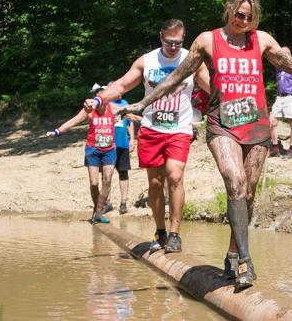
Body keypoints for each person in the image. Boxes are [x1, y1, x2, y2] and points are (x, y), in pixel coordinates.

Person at [93, 0, 292, 291]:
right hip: (222, 124)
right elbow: (175, 78)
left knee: (248, 193)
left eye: (251, 17)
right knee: (235, 181)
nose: (244, 21)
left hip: (256, 126)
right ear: (229, 8)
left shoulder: (263, 40)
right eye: (240, 14)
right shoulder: (207, 40)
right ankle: (245, 260)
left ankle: (232, 253)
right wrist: (141, 104)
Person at [84, 19, 210, 254]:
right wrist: (99, 99)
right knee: (154, 182)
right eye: (169, 42)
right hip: (152, 129)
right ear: (161, 37)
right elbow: (121, 85)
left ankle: (174, 234)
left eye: (178, 42)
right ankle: (160, 231)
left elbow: (213, 87)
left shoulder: (192, 60)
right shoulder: (147, 60)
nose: (173, 47)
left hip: (179, 129)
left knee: (175, 175)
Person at [47, 85, 116, 224]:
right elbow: (74, 120)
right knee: (94, 183)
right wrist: (57, 131)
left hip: (109, 149)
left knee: (107, 180)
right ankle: (98, 209)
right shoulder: (89, 110)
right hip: (92, 149)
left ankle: (98, 211)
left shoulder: (114, 108)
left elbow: (131, 113)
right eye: (96, 98)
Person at [101, 90, 136, 216]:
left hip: (122, 143)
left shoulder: (125, 104)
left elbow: (130, 122)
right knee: (106, 174)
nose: (119, 92)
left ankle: (123, 203)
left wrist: (132, 139)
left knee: (123, 172)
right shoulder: (106, 104)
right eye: (116, 90)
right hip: (108, 143)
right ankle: (107, 202)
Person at [269, 46, 292, 159]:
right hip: (280, 97)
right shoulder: (278, 68)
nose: (282, 56)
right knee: (273, 121)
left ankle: (291, 150)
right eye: (280, 54)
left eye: (284, 54)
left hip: (291, 97)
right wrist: (275, 100)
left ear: (289, 55)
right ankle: (275, 148)